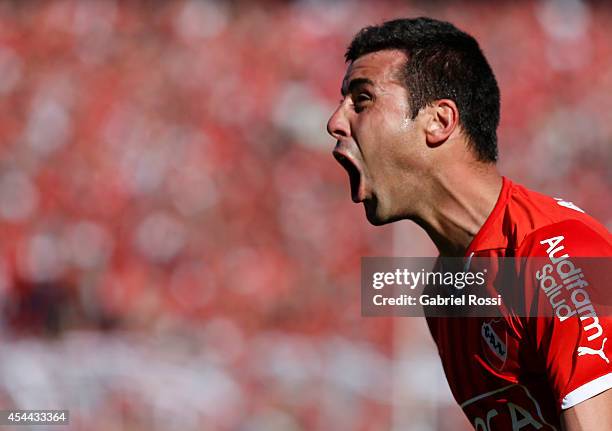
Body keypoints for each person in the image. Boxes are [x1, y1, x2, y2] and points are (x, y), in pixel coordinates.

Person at [327, 17, 611, 430]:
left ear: (439, 121)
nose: (335, 121)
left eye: (362, 99)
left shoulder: (557, 254)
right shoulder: (447, 296)